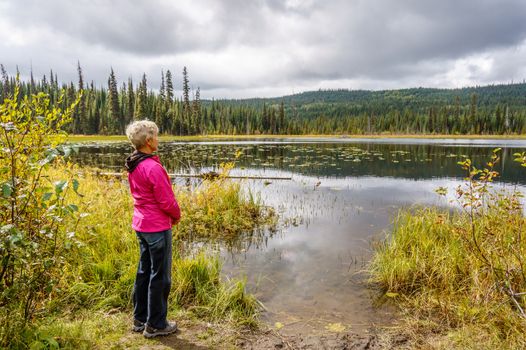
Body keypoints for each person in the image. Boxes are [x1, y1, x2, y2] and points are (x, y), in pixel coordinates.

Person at [124, 120, 181, 338]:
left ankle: (140, 319)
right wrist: (176, 216)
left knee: (143, 272)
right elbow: (167, 202)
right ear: (148, 142)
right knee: (161, 277)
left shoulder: (134, 164)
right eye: (156, 136)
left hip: (141, 225)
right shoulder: (153, 167)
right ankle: (156, 324)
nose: (158, 139)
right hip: (156, 227)